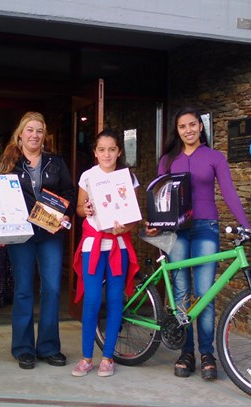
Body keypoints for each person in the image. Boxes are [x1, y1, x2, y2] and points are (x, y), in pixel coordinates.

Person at [145, 107, 251, 381]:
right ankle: (186, 352)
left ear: (201, 127)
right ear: (177, 131)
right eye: (183, 127)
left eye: (193, 125)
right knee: (181, 293)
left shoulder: (214, 157)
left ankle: (206, 353)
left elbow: (228, 192)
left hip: (206, 229)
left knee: (204, 293)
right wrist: (156, 222)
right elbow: (160, 196)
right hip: (178, 232)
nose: (188, 130)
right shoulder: (168, 160)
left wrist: (246, 225)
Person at [0, 111, 76, 370]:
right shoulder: (9, 163)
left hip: (49, 233)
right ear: (20, 134)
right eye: (30, 130)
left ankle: (49, 347)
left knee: (51, 289)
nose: (35, 135)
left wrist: (63, 214)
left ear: (44, 136)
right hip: (21, 234)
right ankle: (23, 348)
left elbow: (69, 193)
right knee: (24, 290)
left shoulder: (56, 162)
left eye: (39, 131)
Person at [72, 129, 140, 377]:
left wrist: (126, 226)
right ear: (95, 152)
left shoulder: (127, 177)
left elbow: (134, 216)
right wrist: (86, 209)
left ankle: (108, 357)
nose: (107, 154)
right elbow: (79, 208)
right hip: (93, 244)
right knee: (91, 300)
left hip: (117, 245)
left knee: (114, 300)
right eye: (102, 149)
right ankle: (86, 356)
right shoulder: (88, 176)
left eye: (112, 149)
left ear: (119, 151)